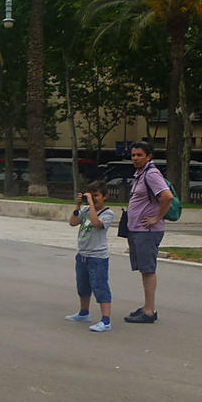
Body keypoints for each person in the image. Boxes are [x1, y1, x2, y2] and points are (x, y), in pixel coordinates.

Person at [124, 141, 173, 324]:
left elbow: (167, 196)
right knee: (144, 270)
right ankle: (147, 306)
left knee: (148, 270)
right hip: (138, 230)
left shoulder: (151, 174)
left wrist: (157, 218)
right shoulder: (140, 174)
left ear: (149, 156)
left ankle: (149, 311)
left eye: (139, 155)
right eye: (133, 155)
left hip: (147, 231)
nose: (135, 158)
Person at [65, 181, 114, 332]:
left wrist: (91, 205)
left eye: (96, 196)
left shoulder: (108, 213)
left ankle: (106, 321)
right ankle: (84, 312)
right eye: (91, 196)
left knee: (100, 287)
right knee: (82, 286)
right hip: (83, 255)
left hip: (97, 257)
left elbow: (96, 223)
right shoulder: (85, 209)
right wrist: (78, 206)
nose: (93, 198)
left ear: (105, 196)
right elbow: (73, 222)